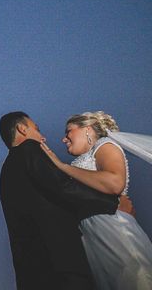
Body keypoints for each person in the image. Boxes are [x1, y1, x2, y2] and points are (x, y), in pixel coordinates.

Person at [0, 111, 119, 290]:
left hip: (31, 271)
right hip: (60, 263)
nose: (43, 137)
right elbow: (62, 186)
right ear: (22, 129)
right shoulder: (29, 149)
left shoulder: (6, 171)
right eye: (37, 129)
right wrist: (113, 205)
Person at [41, 111, 152, 289]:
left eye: (68, 131)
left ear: (87, 129)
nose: (64, 139)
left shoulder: (105, 145)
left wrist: (61, 167)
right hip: (91, 233)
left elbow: (115, 183)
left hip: (112, 228)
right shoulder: (81, 160)